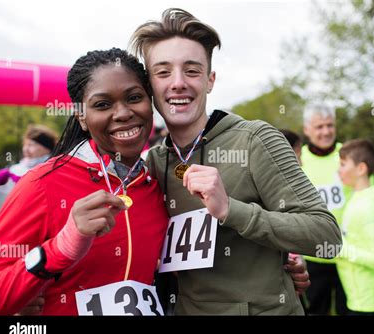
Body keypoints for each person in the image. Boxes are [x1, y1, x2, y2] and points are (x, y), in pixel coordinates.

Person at [131, 8, 341, 315]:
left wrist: (232, 210)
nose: (177, 83)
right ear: (150, 85)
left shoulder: (256, 140)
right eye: (163, 72)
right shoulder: (154, 162)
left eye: (191, 70)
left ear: (210, 80)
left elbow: (327, 235)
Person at [0, 48, 169, 315]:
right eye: (102, 104)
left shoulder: (157, 185)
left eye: (134, 98)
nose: (122, 113)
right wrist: (59, 249)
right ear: (81, 118)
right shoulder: (41, 183)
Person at [336, 139, 374, 315]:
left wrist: (343, 249)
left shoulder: (366, 207)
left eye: (342, 165)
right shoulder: (359, 198)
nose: (338, 171)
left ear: (361, 169)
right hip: (361, 302)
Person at [299, 104, 348, 315]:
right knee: (317, 310)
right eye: (319, 127)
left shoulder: (348, 154)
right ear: (306, 129)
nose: (326, 131)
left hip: (349, 253)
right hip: (313, 252)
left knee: (350, 309)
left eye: (330, 125)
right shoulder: (296, 159)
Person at [0, 125, 58, 220]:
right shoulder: (17, 168)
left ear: (46, 148)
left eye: (31, 145)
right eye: (25, 144)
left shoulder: (52, 167)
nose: (26, 148)